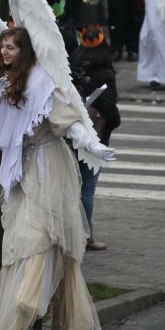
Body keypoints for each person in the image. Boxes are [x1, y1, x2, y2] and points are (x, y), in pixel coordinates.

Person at [0, 27, 112, 330]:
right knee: (21, 239)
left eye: (11, 47)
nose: (5, 52)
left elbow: (67, 121)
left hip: (49, 166)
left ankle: (32, 304)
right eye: (2, 46)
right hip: (20, 169)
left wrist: (91, 144)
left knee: (47, 235)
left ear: (26, 51)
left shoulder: (42, 80)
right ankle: (24, 309)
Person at [72, 26, 121, 250]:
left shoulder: (71, 68)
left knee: (72, 186)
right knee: (87, 187)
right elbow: (110, 109)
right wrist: (113, 121)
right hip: (94, 138)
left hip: (71, 134)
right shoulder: (105, 75)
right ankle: (86, 235)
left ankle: (73, 231)